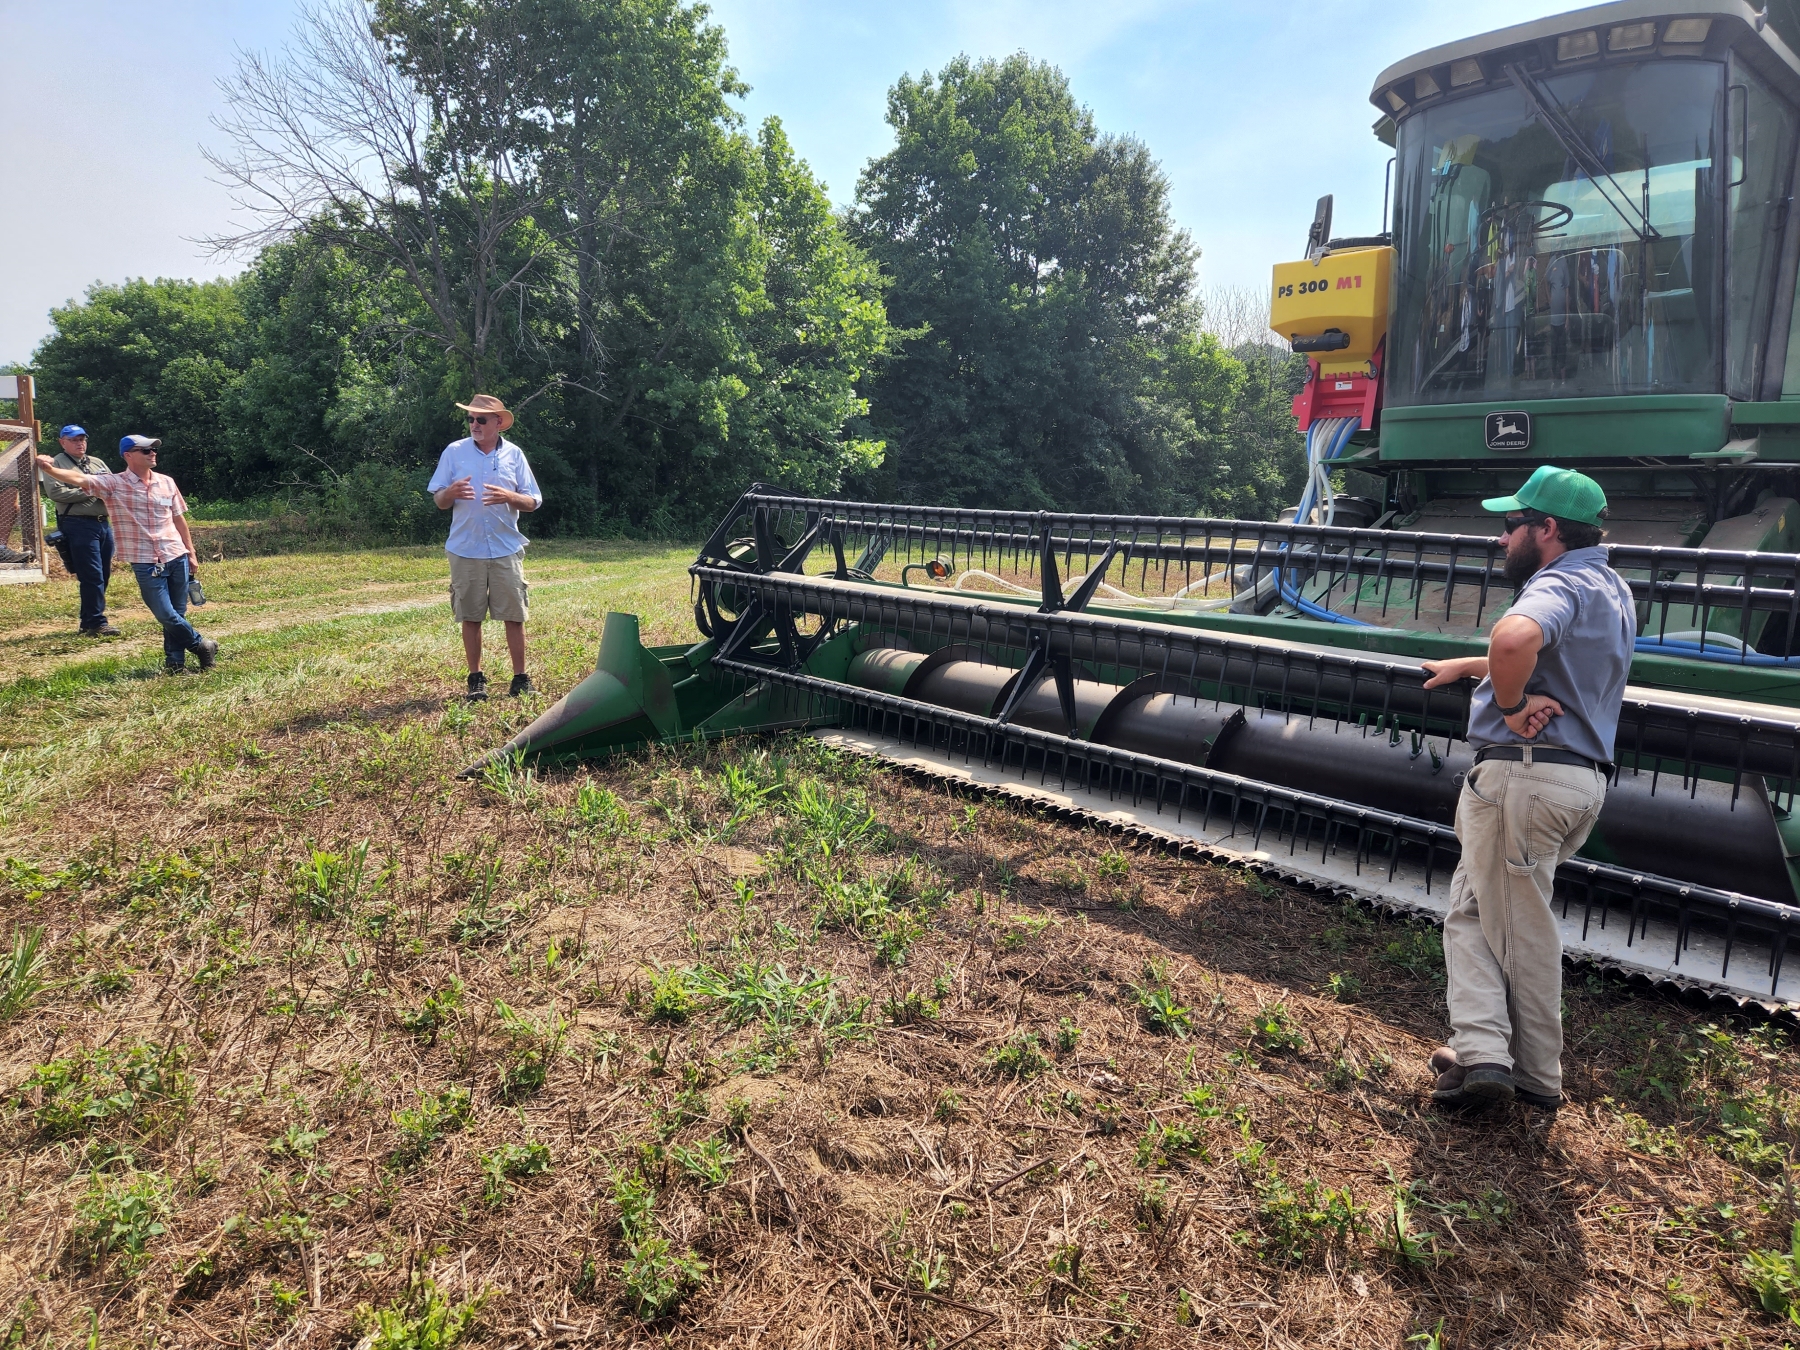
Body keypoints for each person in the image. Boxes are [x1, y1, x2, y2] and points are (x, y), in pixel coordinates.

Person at [1419, 465, 1634, 1114]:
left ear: (1547, 530)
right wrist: (1474, 668)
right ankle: (1482, 1050)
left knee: (1519, 929)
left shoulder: (1560, 581)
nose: (1500, 538)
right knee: (1474, 912)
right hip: (1575, 781)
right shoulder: (1610, 586)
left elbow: (1516, 638)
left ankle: (1535, 1077)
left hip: (1524, 774)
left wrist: (1508, 706)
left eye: (1511, 526)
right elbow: (1553, 659)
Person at [36, 435, 218, 674]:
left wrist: (191, 553)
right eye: (145, 450)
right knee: (165, 614)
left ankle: (175, 664)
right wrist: (49, 468)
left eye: (153, 449)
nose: (152, 452)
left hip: (176, 555)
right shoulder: (114, 484)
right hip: (145, 561)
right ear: (128, 455)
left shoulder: (167, 482)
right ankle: (202, 645)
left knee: (177, 612)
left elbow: (178, 519)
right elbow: (79, 478)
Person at [427, 394, 542, 700]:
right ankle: (476, 680)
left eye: (481, 419)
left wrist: (510, 497)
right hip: (466, 548)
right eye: (470, 419)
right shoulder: (454, 452)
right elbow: (439, 502)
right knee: (471, 615)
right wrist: (449, 492)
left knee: (514, 615)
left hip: (506, 547)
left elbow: (533, 501)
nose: (474, 425)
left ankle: (520, 679)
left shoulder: (514, 456)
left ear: (498, 423)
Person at [39, 425, 119, 635]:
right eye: (74, 439)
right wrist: (93, 490)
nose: (79, 443)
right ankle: (95, 623)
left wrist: (92, 488)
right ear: (62, 442)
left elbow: (113, 486)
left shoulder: (97, 462)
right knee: (91, 575)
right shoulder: (55, 463)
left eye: (82, 439)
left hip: (103, 523)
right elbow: (57, 493)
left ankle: (89, 621)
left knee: (103, 573)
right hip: (78, 524)